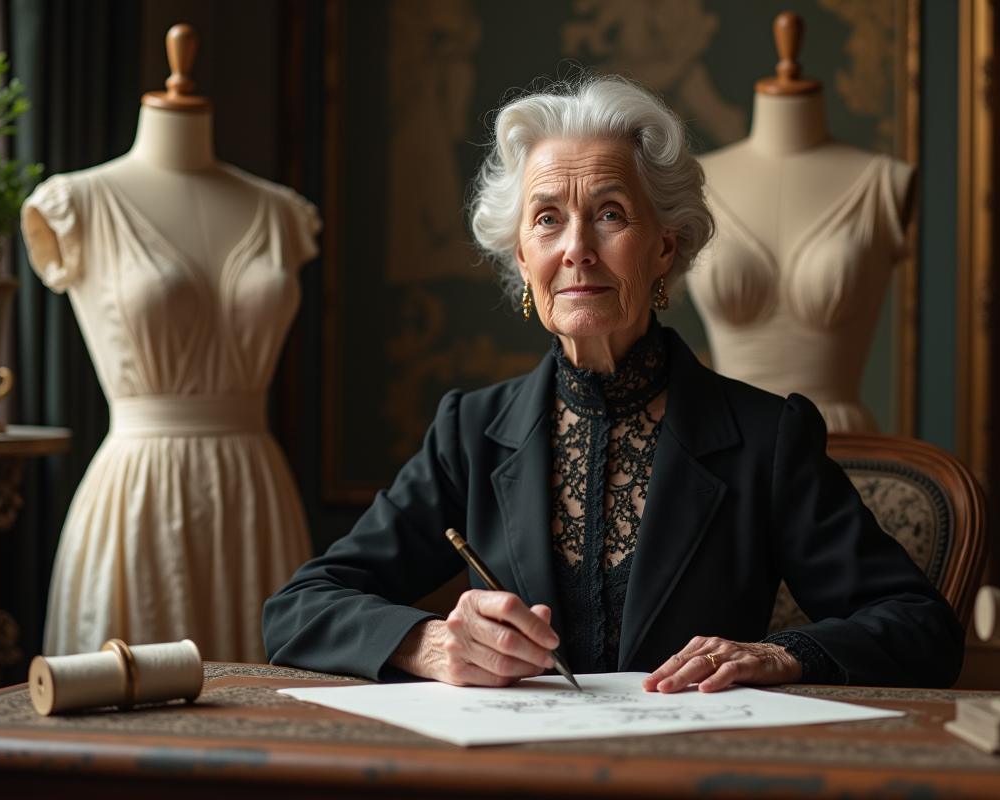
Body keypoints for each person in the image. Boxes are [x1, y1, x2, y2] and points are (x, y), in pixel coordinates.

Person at [263, 75, 963, 692]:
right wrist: (431, 642)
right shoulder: (468, 433)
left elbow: (921, 626)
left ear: (664, 246)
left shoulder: (766, 437)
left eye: (609, 213)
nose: (576, 248)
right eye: (547, 220)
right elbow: (299, 608)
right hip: (510, 771)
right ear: (523, 258)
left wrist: (782, 654)